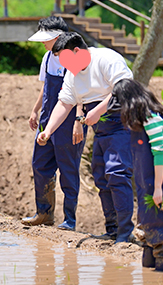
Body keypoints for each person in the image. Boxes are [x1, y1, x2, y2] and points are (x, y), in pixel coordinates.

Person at [37, 32, 134, 243]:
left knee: (116, 173)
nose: (64, 65)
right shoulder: (72, 74)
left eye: (65, 59)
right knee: (101, 176)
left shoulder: (107, 59)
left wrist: (98, 110)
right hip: (101, 129)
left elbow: (123, 87)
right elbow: (64, 103)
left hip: (123, 123)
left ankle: (126, 233)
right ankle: (112, 229)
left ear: (77, 51)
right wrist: (49, 130)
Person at [21, 16, 86, 231]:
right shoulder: (48, 58)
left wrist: (79, 120)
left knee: (68, 169)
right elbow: (45, 86)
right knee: (40, 164)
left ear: (59, 37)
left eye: (46, 38)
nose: (43, 43)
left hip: (69, 121)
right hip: (48, 117)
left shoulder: (76, 57)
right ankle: (44, 213)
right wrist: (35, 109)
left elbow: (82, 92)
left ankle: (69, 220)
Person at [108, 78, 163, 271]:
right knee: (147, 265)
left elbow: (160, 154)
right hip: (147, 186)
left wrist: (159, 188)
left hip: (160, 183)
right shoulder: (139, 121)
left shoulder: (152, 119)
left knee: (162, 259)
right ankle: (152, 244)